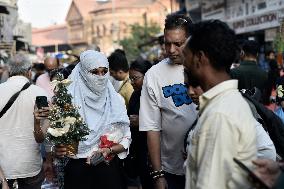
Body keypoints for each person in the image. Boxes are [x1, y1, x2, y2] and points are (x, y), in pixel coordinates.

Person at [183, 20, 257, 189]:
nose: (184, 64)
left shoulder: (219, 114)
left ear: (199, 58)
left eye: (185, 56)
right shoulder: (225, 103)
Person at [54, 50, 131, 189]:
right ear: (83, 73)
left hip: (109, 171)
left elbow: (126, 138)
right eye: (94, 72)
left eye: (104, 71)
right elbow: (63, 145)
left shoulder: (116, 101)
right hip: (78, 173)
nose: (101, 77)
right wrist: (60, 148)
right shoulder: (68, 102)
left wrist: (109, 150)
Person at [139, 14, 198, 189]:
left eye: (178, 44)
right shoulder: (154, 75)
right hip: (171, 171)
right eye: (167, 43)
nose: (171, 50)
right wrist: (158, 175)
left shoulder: (204, 65)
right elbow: (152, 127)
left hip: (205, 167)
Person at [0, 53, 48, 189]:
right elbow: (44, 136)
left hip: (4, 168)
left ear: (9, 71)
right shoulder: (40, 93)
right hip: (30, 165)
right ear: (29, 72)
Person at [124, 60, 153, 189]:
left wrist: (142, 121)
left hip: (152, 149)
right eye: (130, 78)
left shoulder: (155, 94)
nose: (132, 82)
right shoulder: (135, 94)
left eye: (135, 78)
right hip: (139, 149)